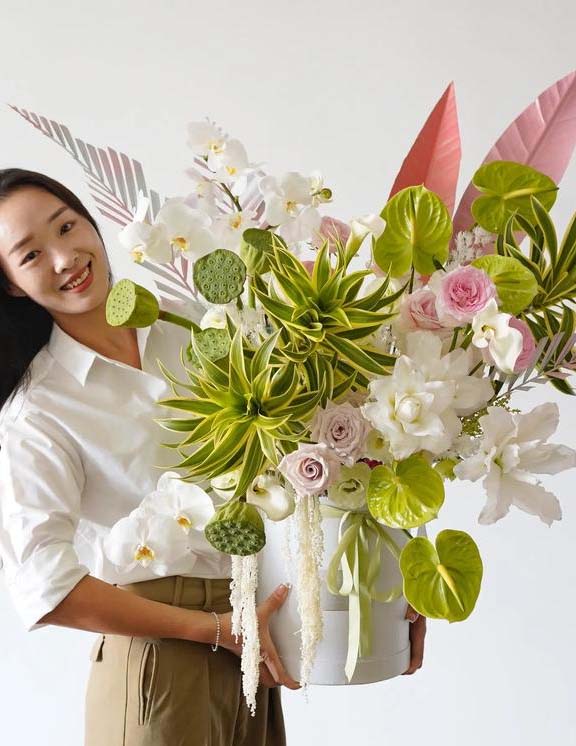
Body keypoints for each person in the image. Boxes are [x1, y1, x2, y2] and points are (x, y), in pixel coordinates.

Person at [0, 168, 426, 745]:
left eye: (66, 226)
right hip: (160, 655)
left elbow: (312, 453)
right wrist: (212, 629)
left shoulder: (198, 325)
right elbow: (45, 587)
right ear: (11, 285)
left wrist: (397, 591)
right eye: (30, 255)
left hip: (252, 629)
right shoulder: (38, 411)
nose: (63, 258)